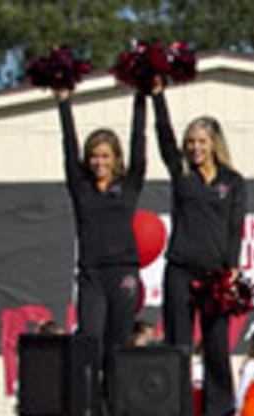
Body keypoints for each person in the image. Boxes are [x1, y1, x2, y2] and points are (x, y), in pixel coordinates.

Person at [150, 77, 248, 416]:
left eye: (201, 142)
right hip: (179, 269)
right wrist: (157, 97)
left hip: (216, 276)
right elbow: (163, 140)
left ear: (214, 145)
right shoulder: (182, 177)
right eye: (190, 142)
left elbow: (236, 228)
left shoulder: (233, 182)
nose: (194, 148)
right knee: (177, 349)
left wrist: (233, 268)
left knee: (217, 351)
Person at [53, 84, 146, 385]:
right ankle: (88, 415)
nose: (99, 163)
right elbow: (68, 146)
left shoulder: (129, 185)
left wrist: (140, 98)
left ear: (116, 158)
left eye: (106, 157)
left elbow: (139, 146)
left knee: (118, 345)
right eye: (94, 157)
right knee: (90, 338)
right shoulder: (81, 188)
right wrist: (64, 103)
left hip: (123, 273)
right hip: (92, 274)